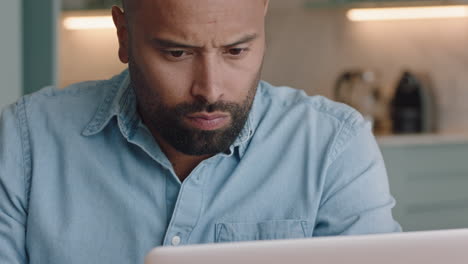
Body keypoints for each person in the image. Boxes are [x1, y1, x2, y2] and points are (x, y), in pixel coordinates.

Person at [0, 0, 401, 263]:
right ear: (123, 34)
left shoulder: (333, 146)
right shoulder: (27, 140)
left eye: (236, 51)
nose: (210, 89)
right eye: (177, 53)